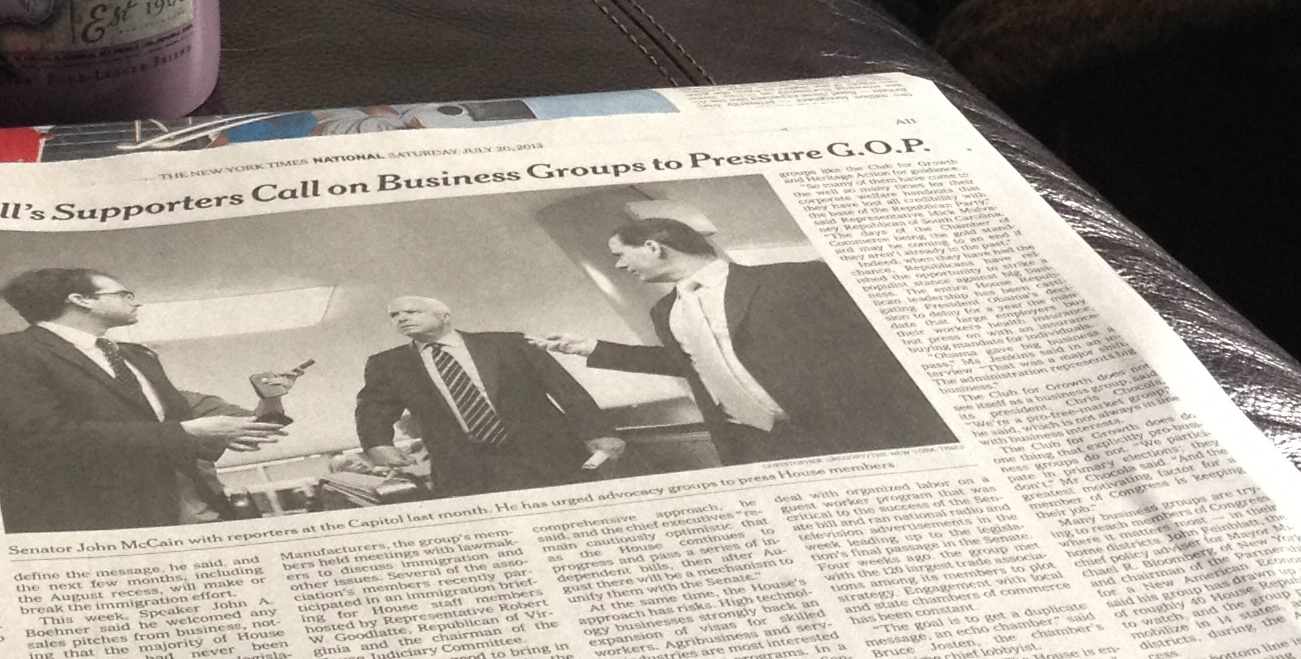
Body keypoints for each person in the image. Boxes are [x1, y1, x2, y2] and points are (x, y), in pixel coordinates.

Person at [548, 200, 951, 464]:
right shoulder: (664, 310)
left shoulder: (795, 279)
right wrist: (591, 348)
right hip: (753, 446)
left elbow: (881, 353)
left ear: (653, 247)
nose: (619, 266)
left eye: (620, 255)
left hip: (847, 435)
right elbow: (690, 362)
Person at [0, 265, 305, 532]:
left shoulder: (138, 356)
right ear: (81, 300)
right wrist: (185, 432)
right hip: (111, 522)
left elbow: (245, 428)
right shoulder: (2, 351)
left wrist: (270, 400)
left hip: (200, 513)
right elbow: (43, 438)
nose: (136, 301)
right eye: (124, 294)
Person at [353, 294, 624, 501]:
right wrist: (378, 444)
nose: (401, 318)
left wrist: (599, 431)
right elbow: (373, 408)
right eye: (394, 315)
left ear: (444, 316)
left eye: (412, 311)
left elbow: (566, 389)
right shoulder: (388, 364)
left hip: (549, 455)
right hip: (467, 470)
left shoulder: (509, 343)